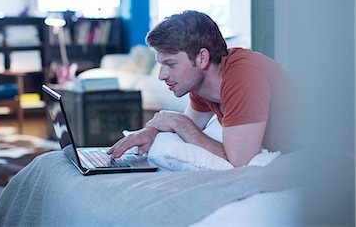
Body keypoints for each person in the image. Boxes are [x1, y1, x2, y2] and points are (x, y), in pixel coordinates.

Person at [108, 10, 295, 167]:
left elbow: (240, 161)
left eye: (171, 64)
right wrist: (149, 132)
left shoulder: (244, 75)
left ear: (202, 58)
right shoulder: (203, 88)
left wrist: (178, 122)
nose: (161, 75)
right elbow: (186, 128)